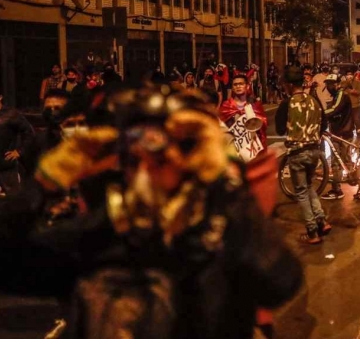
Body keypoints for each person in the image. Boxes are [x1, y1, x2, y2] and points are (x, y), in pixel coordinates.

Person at [5, 85, 303, 338]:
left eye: (160, 161)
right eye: (134, 162)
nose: (146, 173)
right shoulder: (102, 232)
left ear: (188, 162)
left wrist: (225, 190)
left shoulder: (218, 229)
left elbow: (280, 283)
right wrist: (43, 184)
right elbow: (12, 265)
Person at [276, 67, 332, 244]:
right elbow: (324, 124)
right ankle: (321, 220)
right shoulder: (314, 101)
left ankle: (312, 231)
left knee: (301, 192)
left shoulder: (287, 103)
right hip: (315, 152)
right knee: (309, 186)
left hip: (297, 152)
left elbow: (279, 129)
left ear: (290, 85)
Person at [218, 74, 269, 163]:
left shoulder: (255, 104)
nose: (238, 86)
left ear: (247, 86)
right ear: (232, 88)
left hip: (252, 148)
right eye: (235, 84)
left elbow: (264, 124)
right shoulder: (226, 105)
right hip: (234, 149)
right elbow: (221, 127)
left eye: (241, 84)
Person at [321, 73, 353, 200]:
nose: (329, 86)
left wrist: (320, 114)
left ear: (337, 84)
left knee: (337, 162)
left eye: (331, 84)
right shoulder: (337, 95)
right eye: (327, 84)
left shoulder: (341, 94)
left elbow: (335, 109)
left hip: (341, 132)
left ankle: (337, 190)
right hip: (341, 131)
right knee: (345, 160)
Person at [0, 92, 35, 197]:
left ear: (0, 96)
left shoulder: (11, 114)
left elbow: (29, 133)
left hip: (6, 164)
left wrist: (19, 151)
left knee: (14, 199)